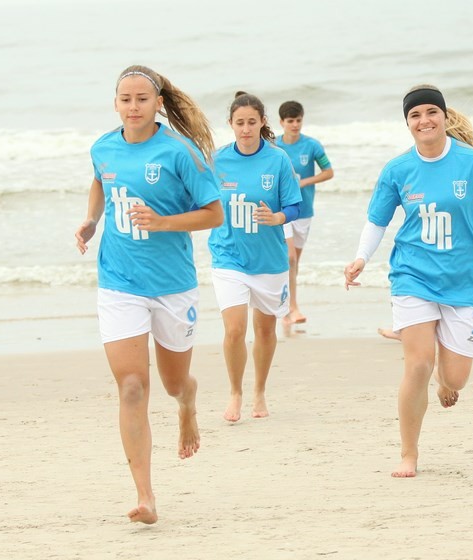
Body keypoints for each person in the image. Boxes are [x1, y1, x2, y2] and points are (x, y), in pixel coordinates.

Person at [343, 85, 473, 478]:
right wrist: (361, 258)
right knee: (418, 364)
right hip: (413, 275)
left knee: (454, 378)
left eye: (431, 112)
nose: (424, 120)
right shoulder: (397, 169)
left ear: (444, 116)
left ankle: (445, 371)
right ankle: (409, 453)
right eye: (415, 115)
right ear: (407, 123)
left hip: (463, 281)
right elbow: (377, 221)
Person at [75, 65, 223, 524]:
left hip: (173, 286)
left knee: (174, 382)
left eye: (142, 98)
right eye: (125, 99)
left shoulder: (180, 153)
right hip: (119, 283)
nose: (133, 107)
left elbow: (214, 214)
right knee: (133, 385)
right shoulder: (103, 147)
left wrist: (162, 223)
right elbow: (101, 181)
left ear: (158, 103)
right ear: (115, 103)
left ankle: (187, 404)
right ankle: (145, 495)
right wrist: (90, 220)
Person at [209, 92, 302, 422]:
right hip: (228, 256)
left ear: (263, 122)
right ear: (230, 125)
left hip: (269, 260)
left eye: (252, 122)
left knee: (265, 331)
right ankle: (235, 392)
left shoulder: (277, 161)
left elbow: (294, 205)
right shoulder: (217, 160)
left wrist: (279, 218)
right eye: (239, 123)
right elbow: (198, 199)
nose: (246, 129)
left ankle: (259, 390)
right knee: (234, 330)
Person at [376, 108, 473, 342]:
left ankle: (409, 327)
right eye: (415, 115)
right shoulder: (458, 148)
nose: (424, 121)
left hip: (450, 226)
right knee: (454, 263)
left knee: (449, 261)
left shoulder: (463, 156)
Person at [275, 101, 334, 325]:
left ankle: (283, 302)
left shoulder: (312, 146)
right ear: (281, 122)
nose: (295, 125)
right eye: (290, 121)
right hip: (282, 210)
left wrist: (304, 182)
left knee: (294, 263)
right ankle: (292, 309)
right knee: (289, 258)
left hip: (304, 209)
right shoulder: (273, 145)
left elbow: (329, 172)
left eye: (298, 120)